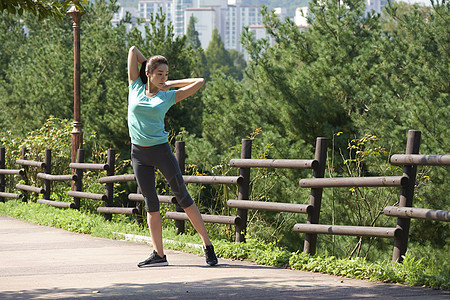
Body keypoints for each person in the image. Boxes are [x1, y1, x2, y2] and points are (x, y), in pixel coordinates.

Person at [127, 46, 218, 267]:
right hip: (138, 154)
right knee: (151, 203)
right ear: (147, 73)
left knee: (183, 197)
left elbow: (200, 81)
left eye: (166, 74)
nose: (163, 78)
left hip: (161, 151)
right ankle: (159, 254)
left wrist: (171, 83)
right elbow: (133, 51)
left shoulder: (168, 96)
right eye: (160, 74)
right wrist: (149, 65)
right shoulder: (135, 87)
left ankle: (208, 246)